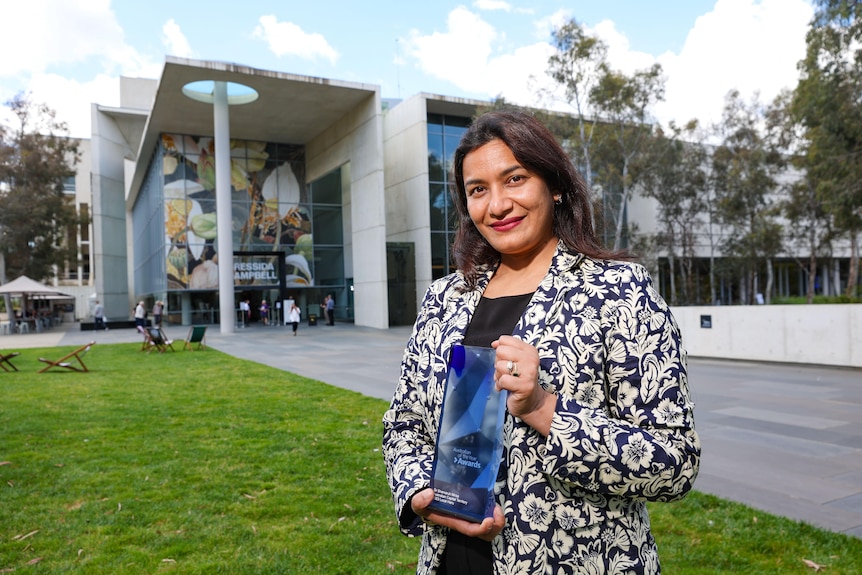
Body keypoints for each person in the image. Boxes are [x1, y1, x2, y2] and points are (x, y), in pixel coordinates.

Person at [382, 110, 700, 575]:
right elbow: (403, 424)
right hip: (453, 557)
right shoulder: (444, 297)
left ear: (553, 185)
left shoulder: (620, 291)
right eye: (478, 190)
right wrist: (419, 495)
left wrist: (540, 407)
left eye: (514, 179)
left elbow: (675, 462)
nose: (497, 205)